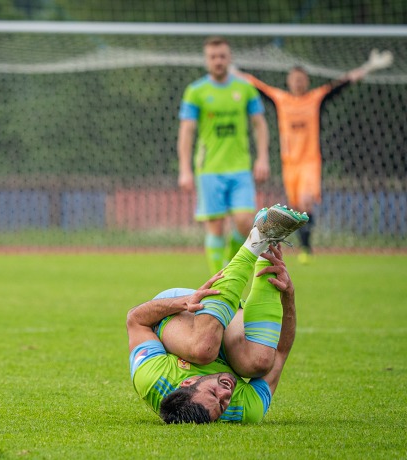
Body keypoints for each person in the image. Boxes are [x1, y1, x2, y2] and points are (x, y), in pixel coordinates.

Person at [126, 204, 308, 423]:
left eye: (214, 393)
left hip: (182, 313)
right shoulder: (243, 411)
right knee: (260, 361)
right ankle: (269, 243)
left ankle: (257, 238)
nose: (226, 393)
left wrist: (182, 302)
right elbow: (280, 353)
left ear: (187, 382)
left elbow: (135, 320)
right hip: (224, 329)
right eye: (223, 405)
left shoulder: (152, 378)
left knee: (203, 349)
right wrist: (288, 294)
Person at [235, 50, 392, 264]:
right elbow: (256, 85)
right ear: (289, 81)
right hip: (289, 163)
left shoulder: (315, 98)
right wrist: (232, 71)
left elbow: (342, 83)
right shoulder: (281, 99)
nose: (298, 82)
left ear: (306, 81)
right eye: (294, 79)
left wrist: (369, 67)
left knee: (306, 201)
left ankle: (306, 249)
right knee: (296, 206)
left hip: (310, 161)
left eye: (301, 79)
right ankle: (302, 245)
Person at [178, 36, 271, 274]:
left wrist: (262, 158)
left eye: (222, 56)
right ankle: (217, 281)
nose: (218, 61)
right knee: (216, 227)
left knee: (244, 222)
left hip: (240, 167)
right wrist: (185, 169)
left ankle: (229, 265)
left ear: (229, 58)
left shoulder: (245, 88)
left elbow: (259, 124)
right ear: (206, 60)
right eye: (213, 57)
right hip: (209, 169)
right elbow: (187, 131)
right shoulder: (196, 91)